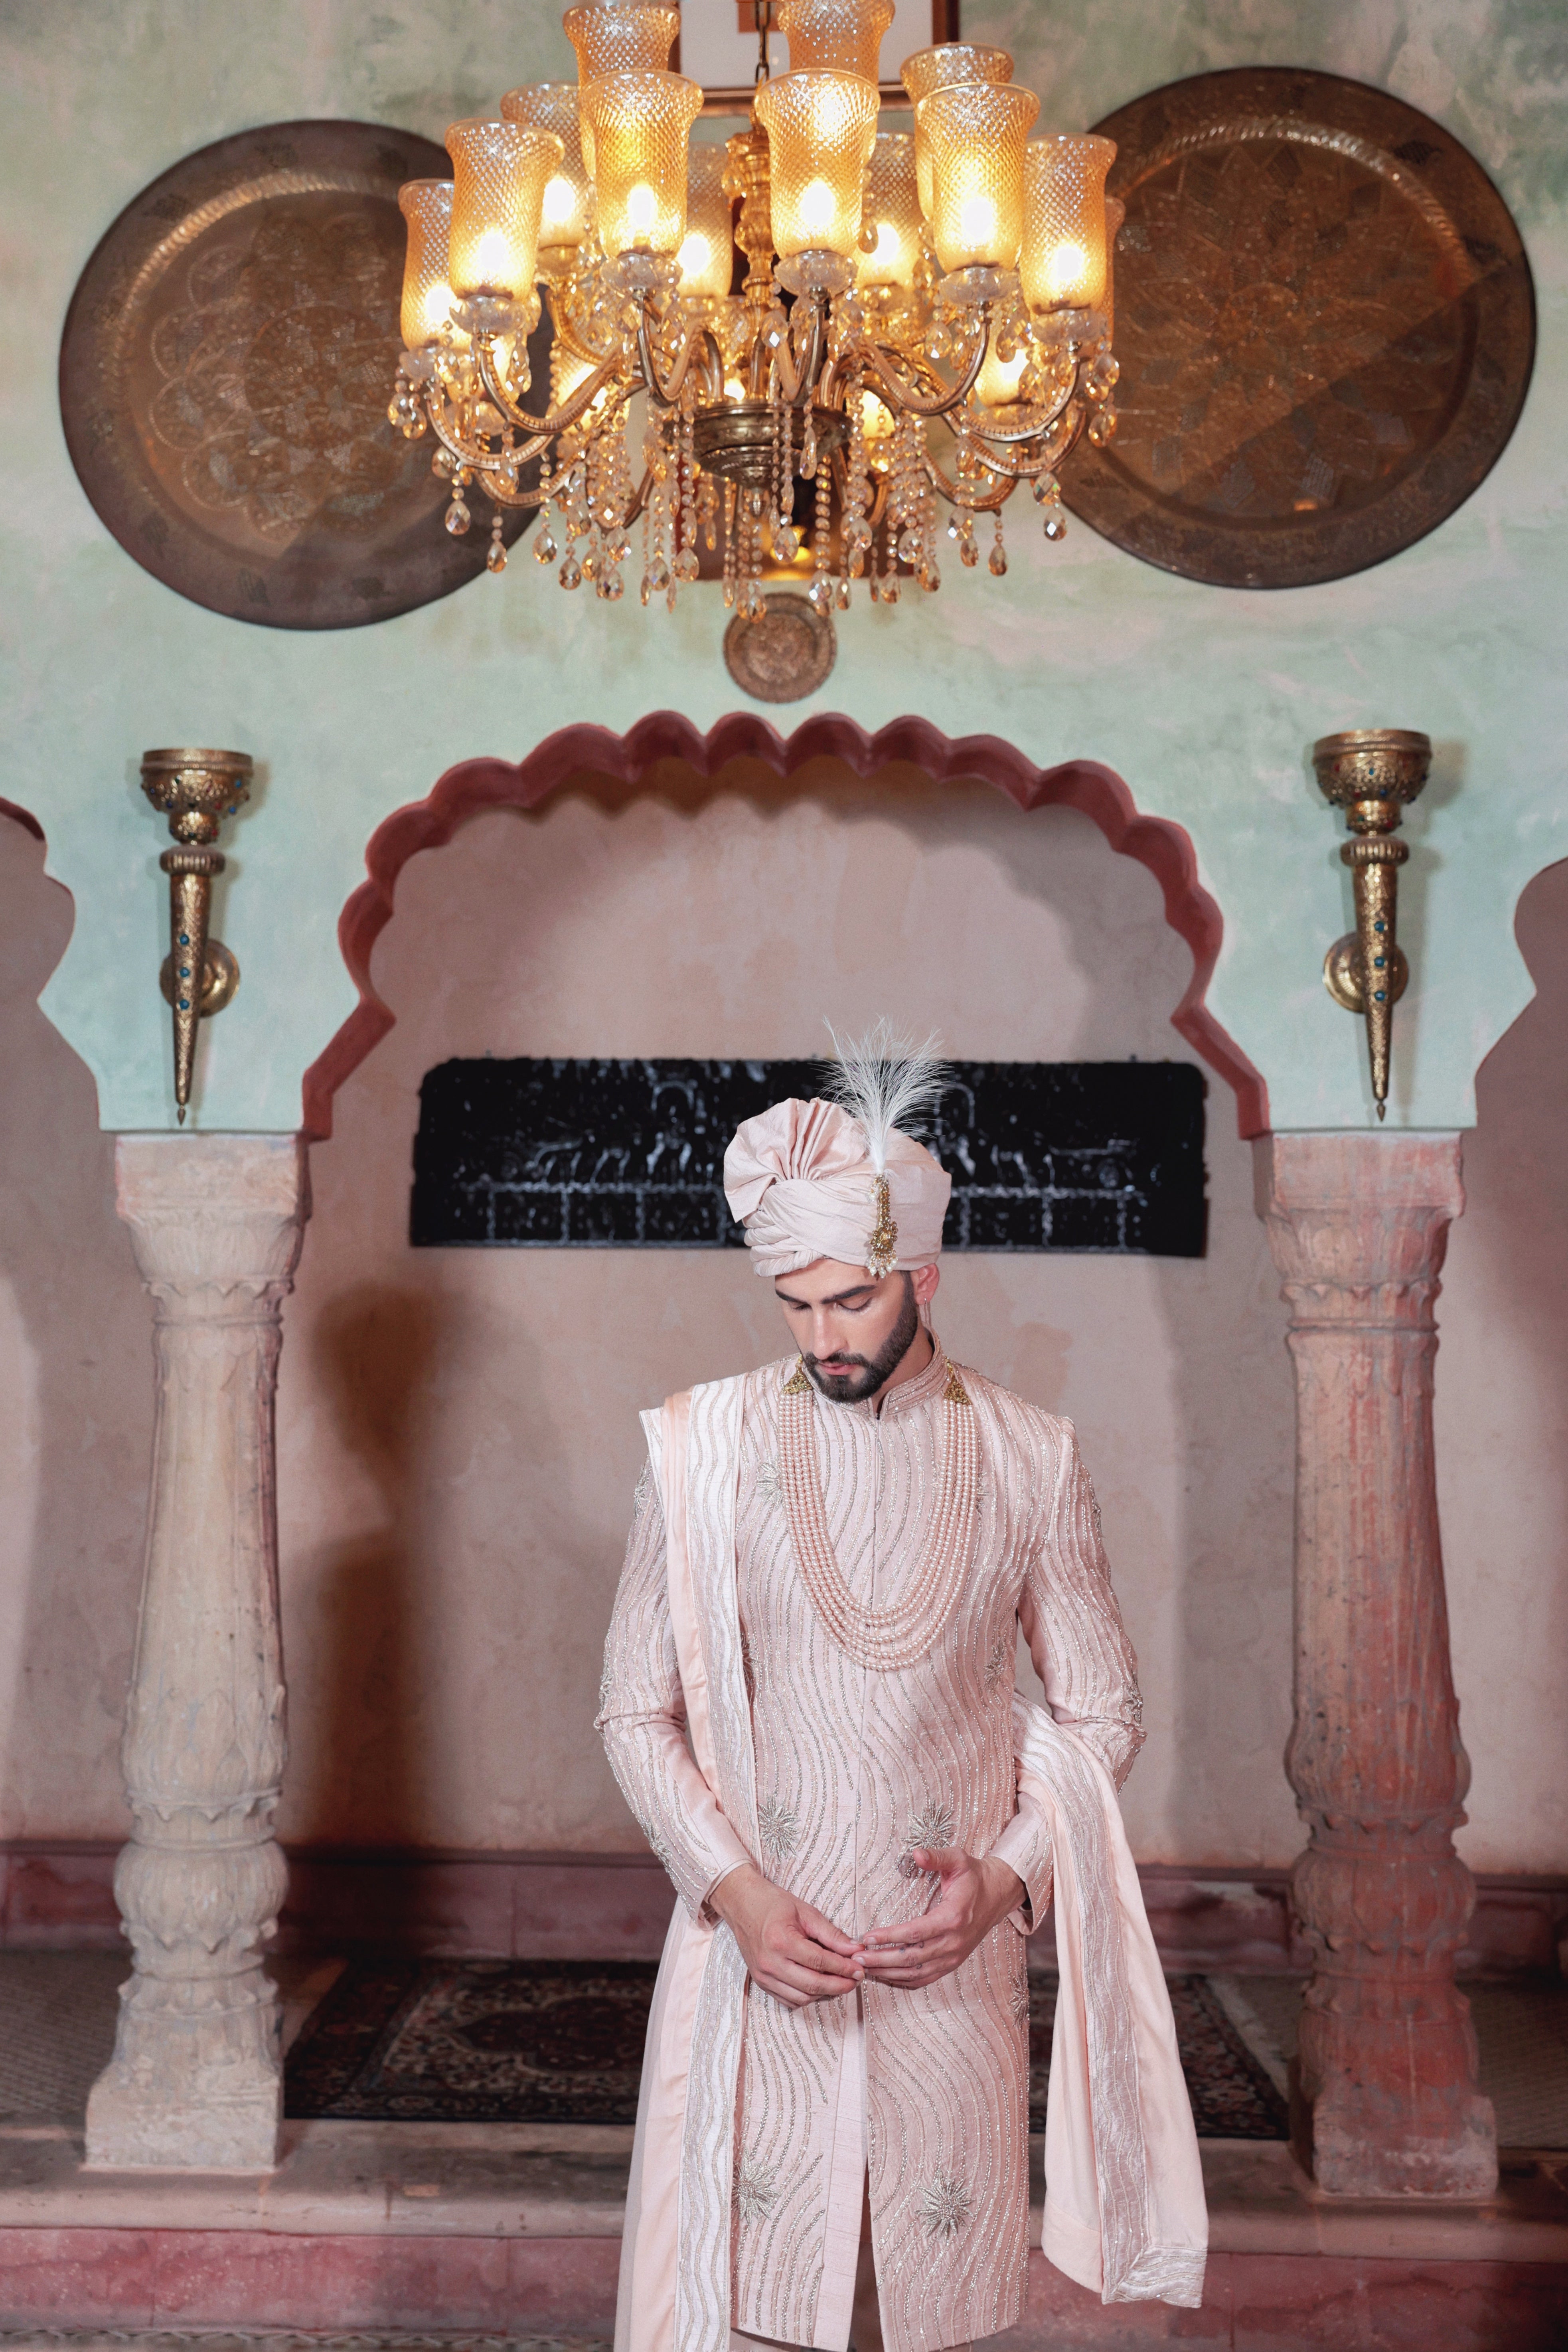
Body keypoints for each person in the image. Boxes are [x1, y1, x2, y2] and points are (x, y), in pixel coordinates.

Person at [597, 1030, 1206, 2352]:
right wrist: (738, 1894)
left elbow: (1102, 1709)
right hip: (765, 1967)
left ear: (922, 1274)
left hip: (954, 1982)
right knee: (754, 2303)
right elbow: (633, 1716)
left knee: (931, 2319)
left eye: (854, 1302)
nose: (823, 1337)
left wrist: (1005, 1883)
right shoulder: (701, 1448)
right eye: (795, 1305)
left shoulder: (1031, 1457)